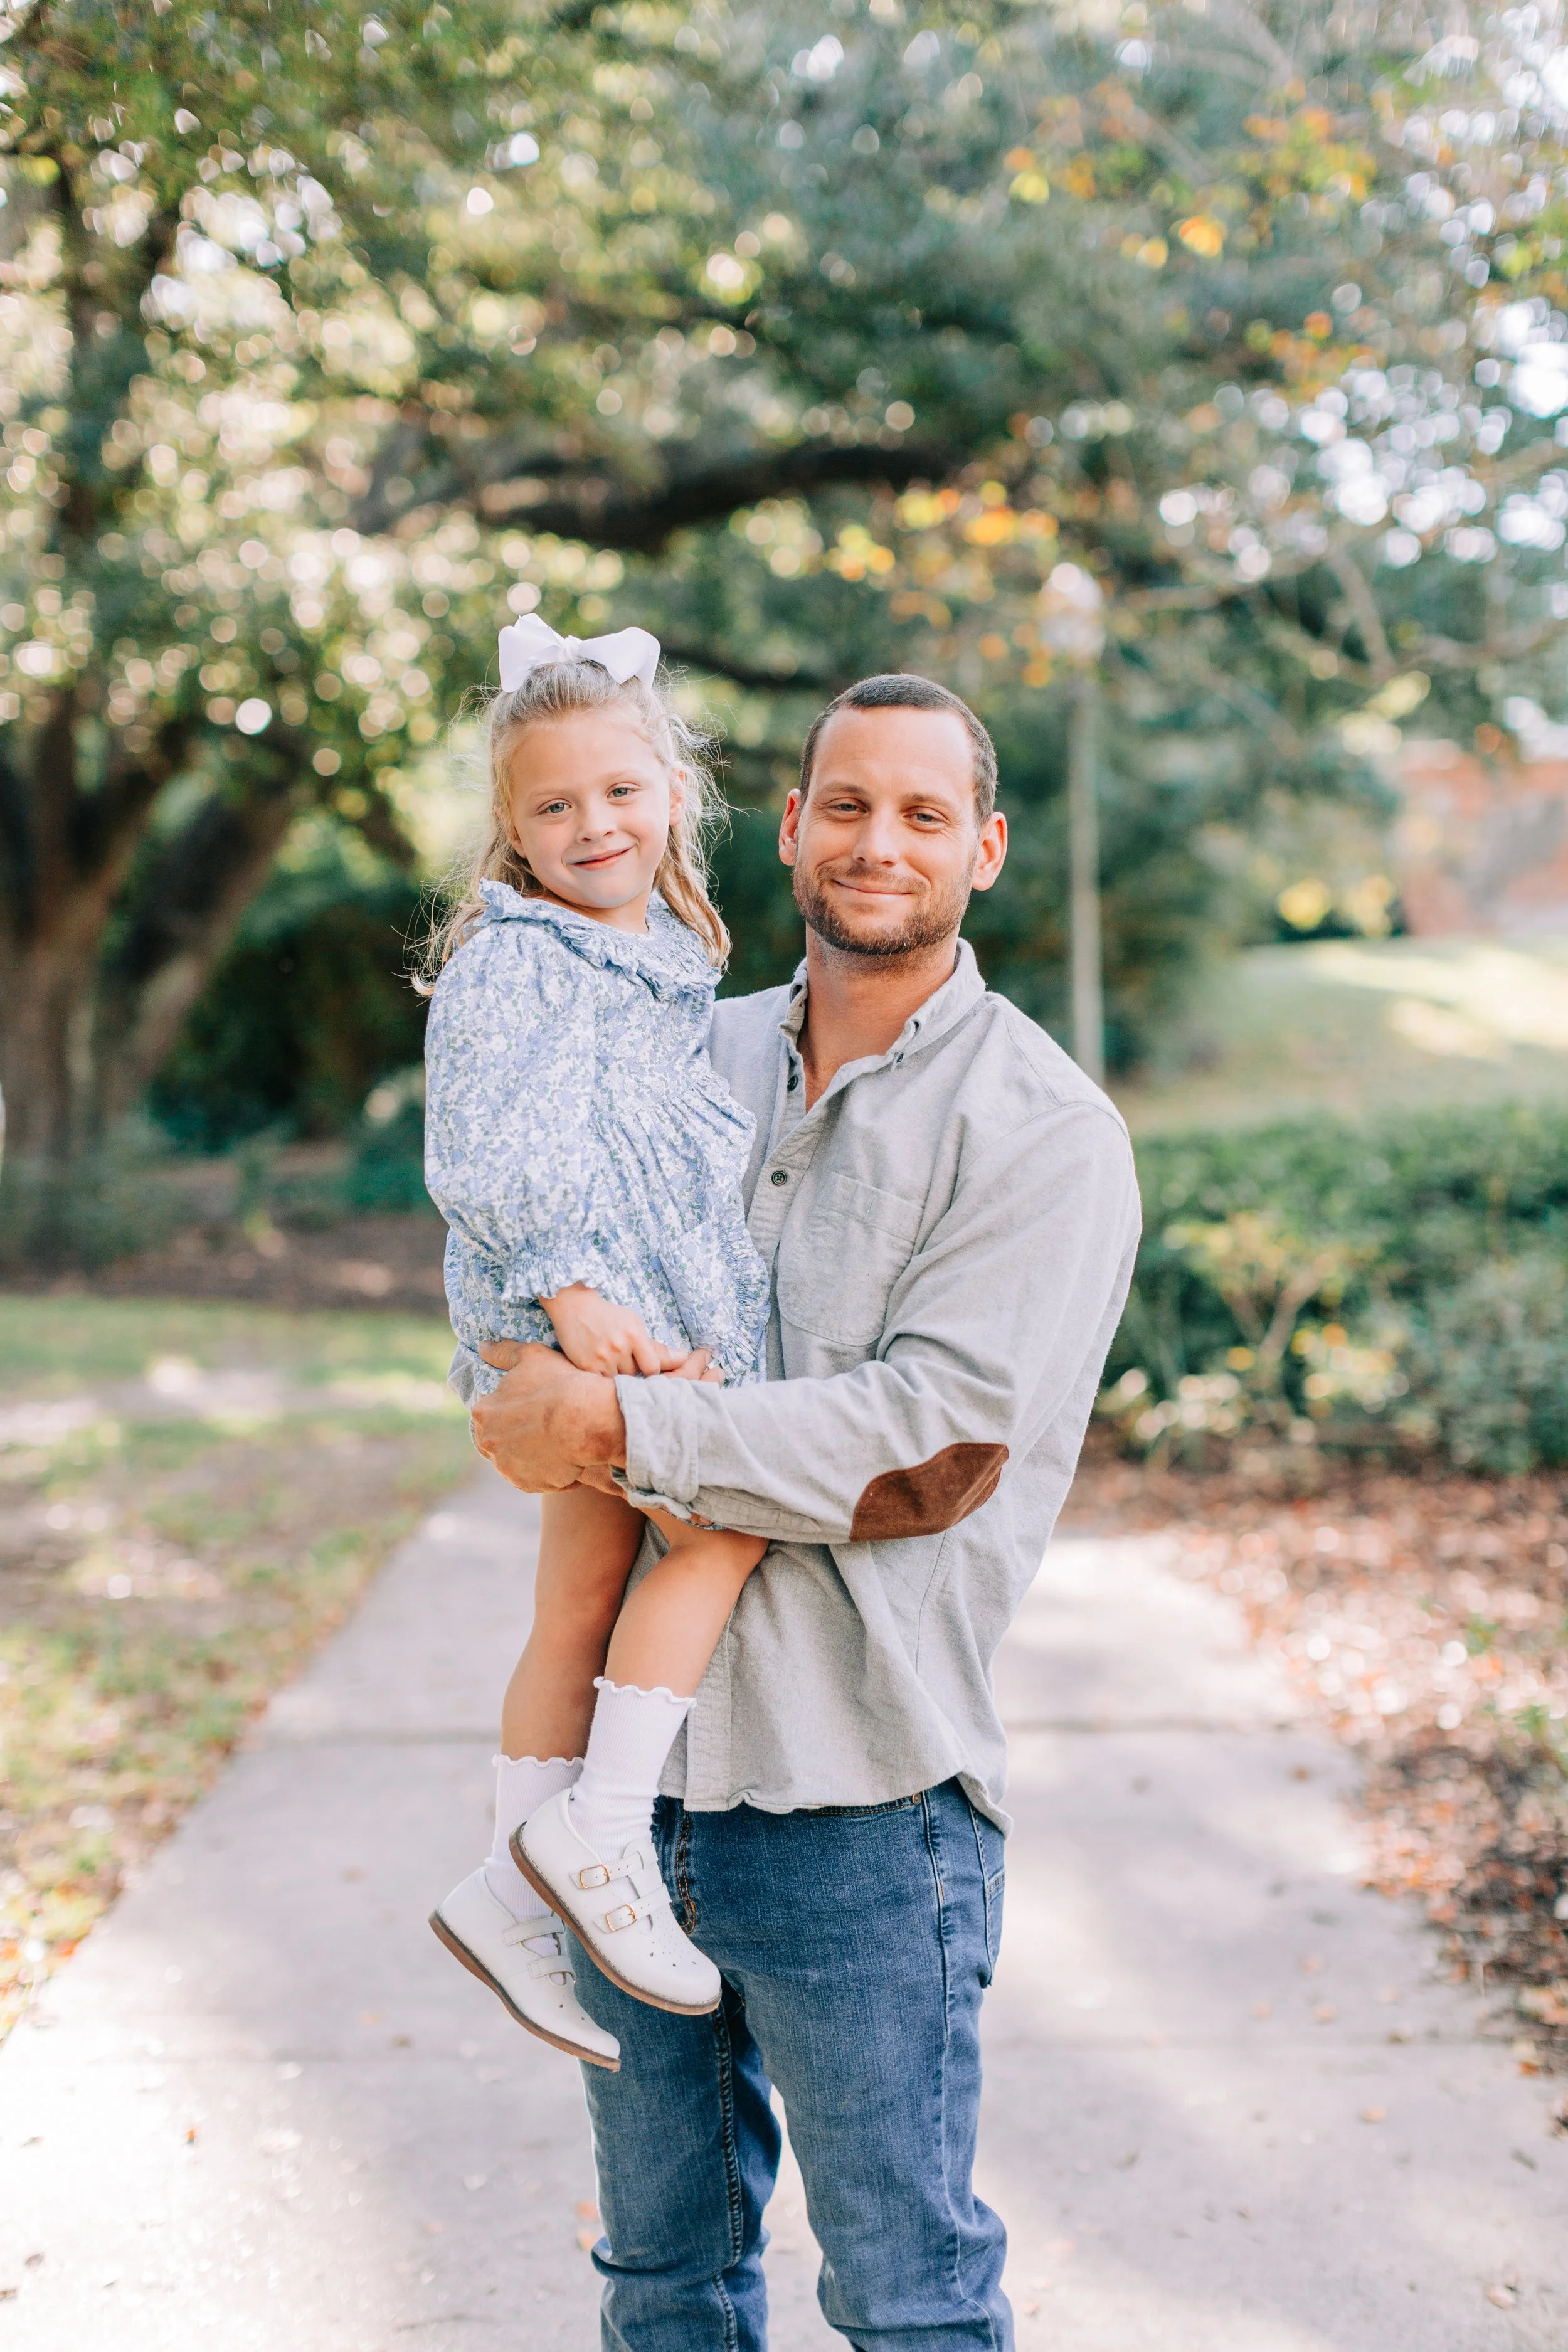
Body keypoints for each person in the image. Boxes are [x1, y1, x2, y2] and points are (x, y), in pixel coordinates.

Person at [470, 670, 1143, 2352]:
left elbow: (927, 1446)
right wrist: (524, 1368)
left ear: (983, 848)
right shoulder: (670, 1040)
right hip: (631, 1812)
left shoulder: (1043, 1128)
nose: (876, 840)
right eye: (844, 802)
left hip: (861, 1800)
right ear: (784, 827)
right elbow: (523, 1281)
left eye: (923, 811)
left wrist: (613, 1412)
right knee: (662, 2283)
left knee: (906, 2295)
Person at [425, 615, 779, 2067]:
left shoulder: (662, 953)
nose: (593, 825)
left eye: (620, 794)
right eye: (554, 807)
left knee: (578, 1594)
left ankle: (513, 1893)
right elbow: (484, 1145)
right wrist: (569, 1287)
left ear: (673, 792)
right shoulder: (518, 957)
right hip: (573, 1315)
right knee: (720, 1533)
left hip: (627, 1312)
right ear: (510, 831)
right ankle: (601, 1830)